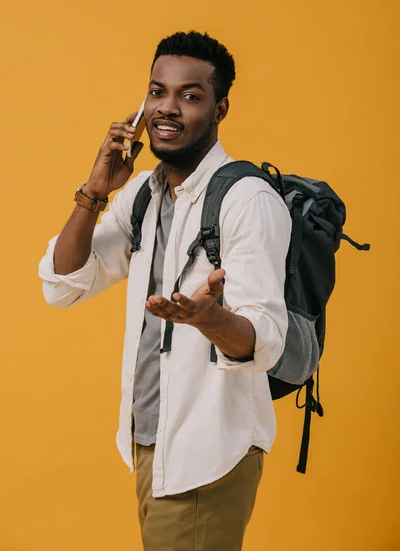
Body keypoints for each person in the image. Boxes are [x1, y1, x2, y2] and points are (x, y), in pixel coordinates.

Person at [38, 30, 291, 551]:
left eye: (189, 96)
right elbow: (62, 285)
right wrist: (94, 192)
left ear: (220, 109)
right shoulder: (144, 194)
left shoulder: (249, 201)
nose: (167, 109)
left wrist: (206, 319)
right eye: (157, 92)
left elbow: (265, 341)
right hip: (151, 445)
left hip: (207, 451)